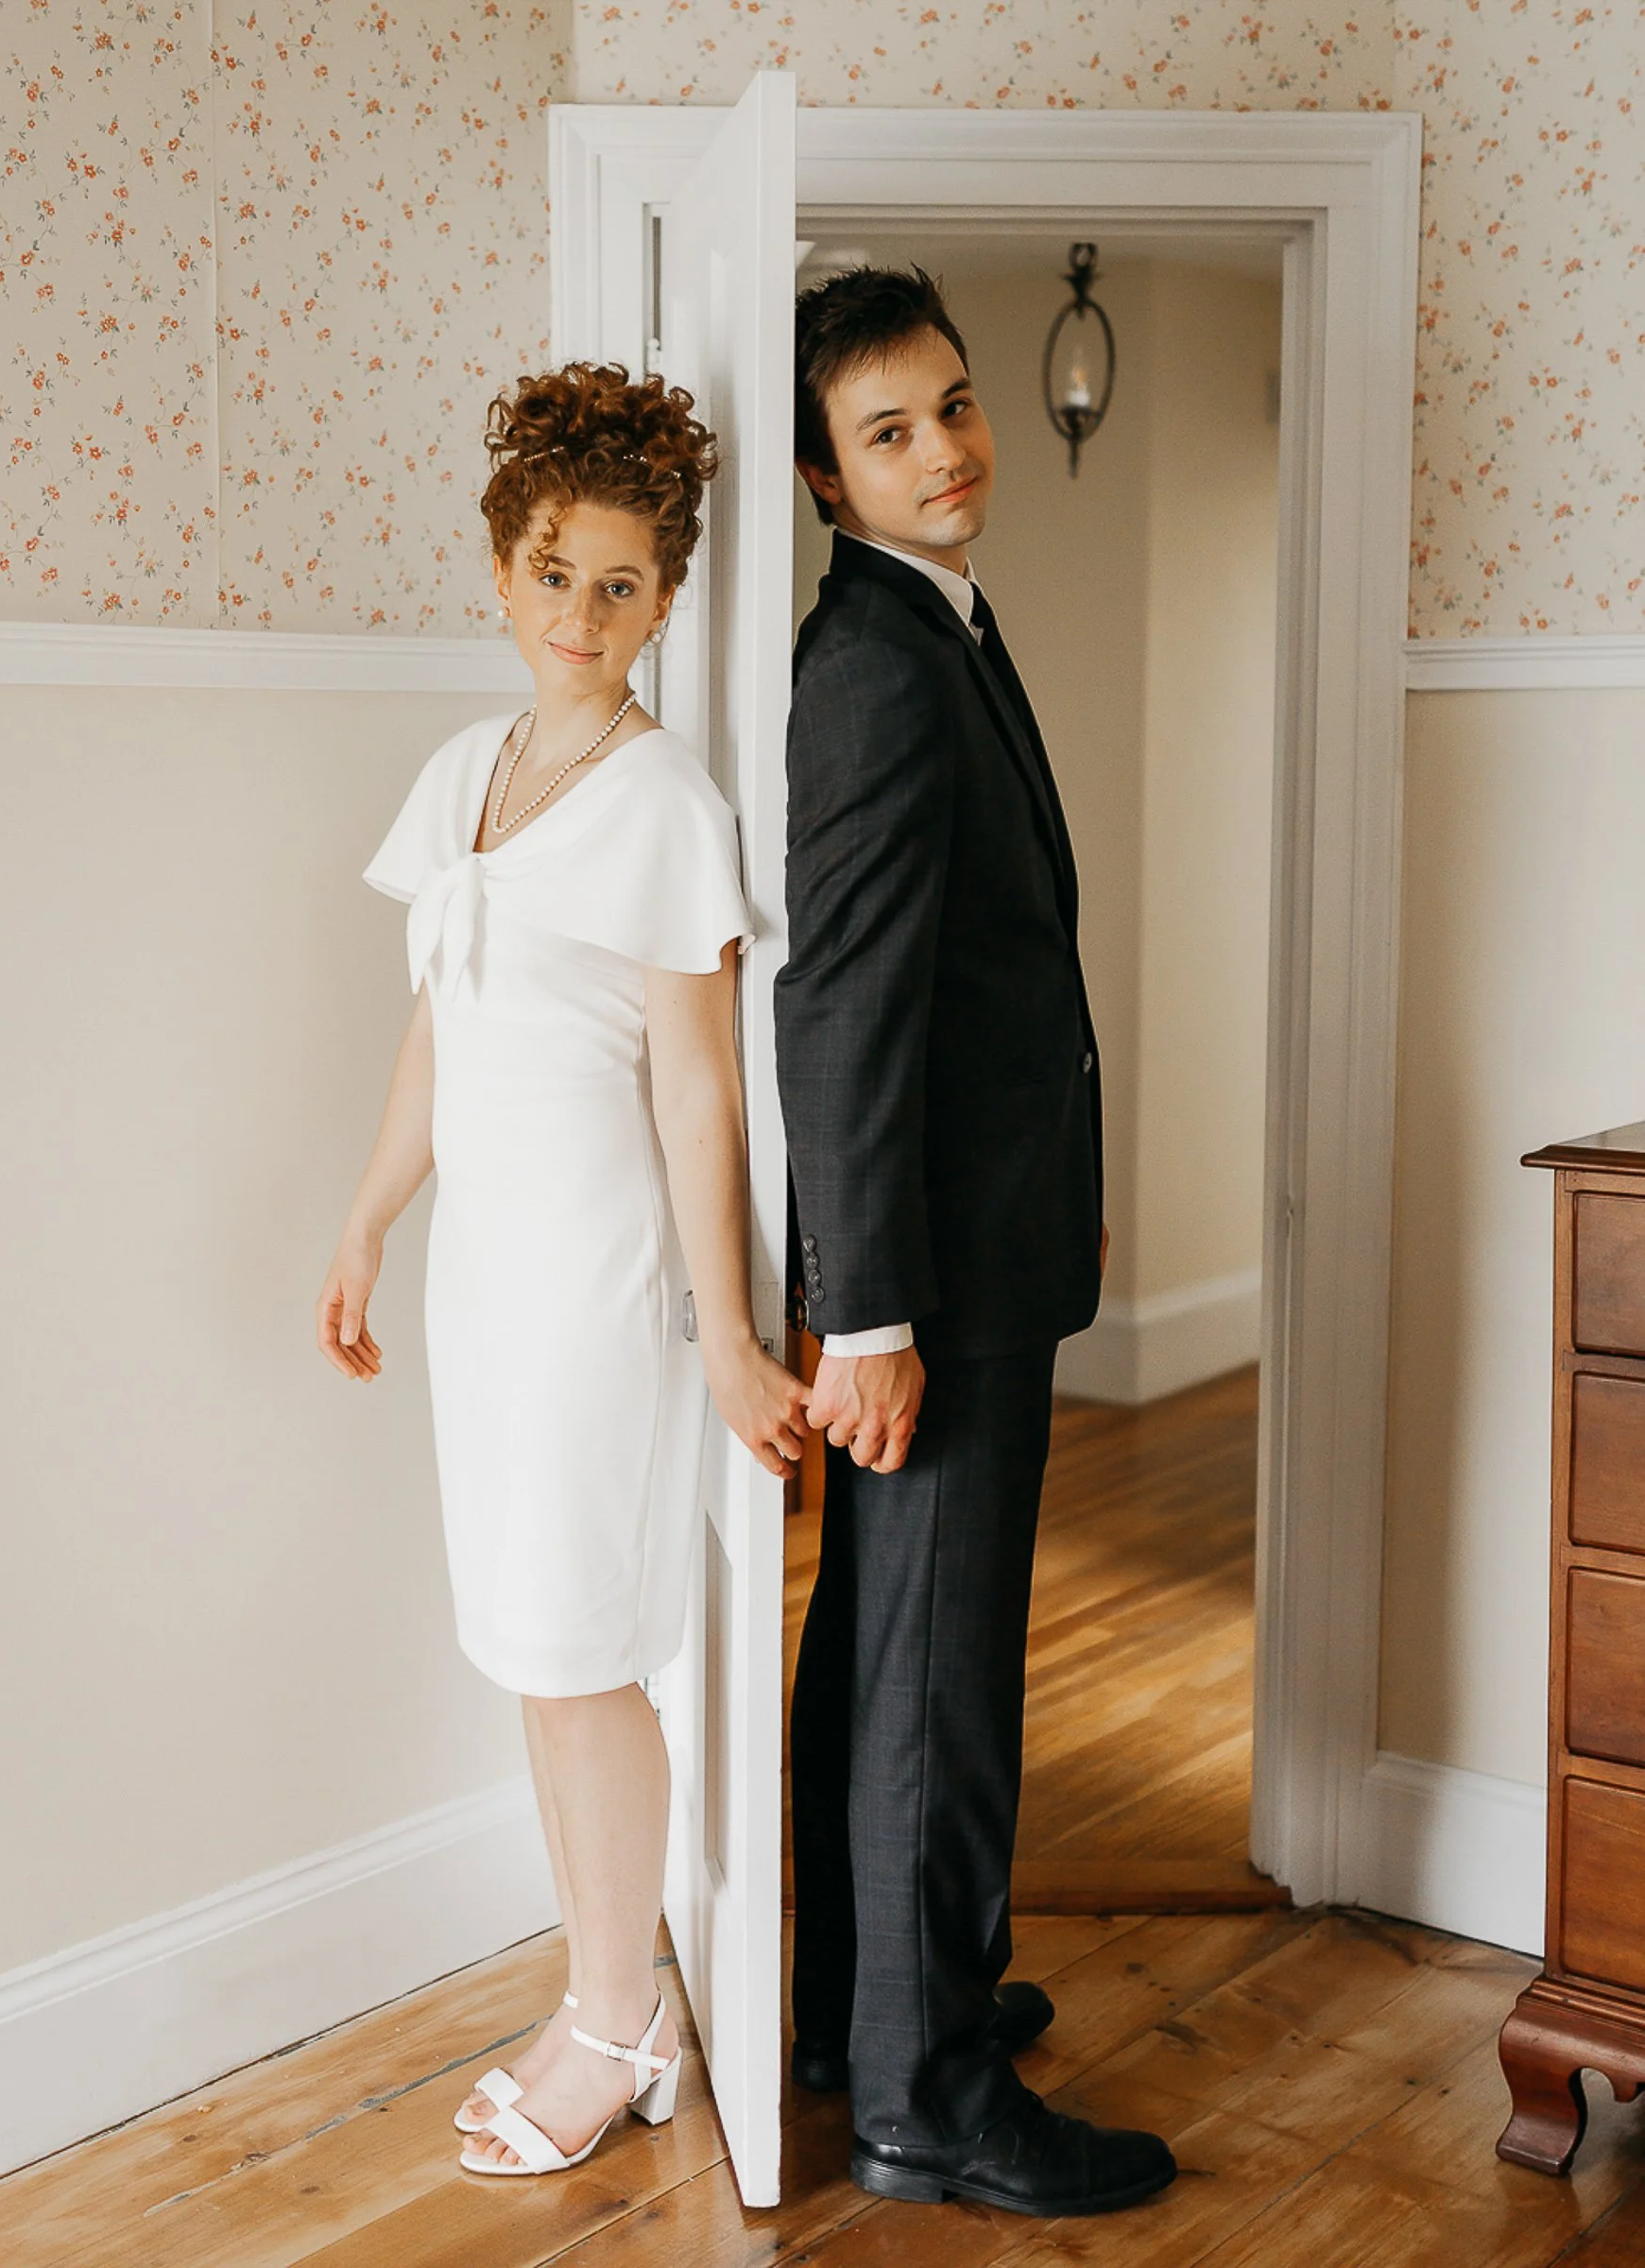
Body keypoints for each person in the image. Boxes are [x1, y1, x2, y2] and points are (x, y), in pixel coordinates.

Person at [317, 362, 811, 2180]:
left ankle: (618, 2020)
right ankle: (614, 1984)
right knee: (535, 1654)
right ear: (497, 575)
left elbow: (697, 1096)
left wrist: (730, 1340)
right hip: (481, 1288)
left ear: (665, 596)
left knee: (583, 1654)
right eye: (551, 572)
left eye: (619, 584)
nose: (580, 614)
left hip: (599, 1299)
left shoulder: (662, 801)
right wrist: (372, 1213)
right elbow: (439, 1038)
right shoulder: (465, 772)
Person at [775, 266, 1177, 2219]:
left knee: (883, 1647)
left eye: (951, 406)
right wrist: (871, 1312)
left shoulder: (936, 622)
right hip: (919, 1281)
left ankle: (858, 2009)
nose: (945, 450)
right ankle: (923, 2104)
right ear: (821, 477)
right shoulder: (868, 658)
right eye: (889, 431)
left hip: (972, 1242)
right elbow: (835, 1007)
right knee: (935, 1679)